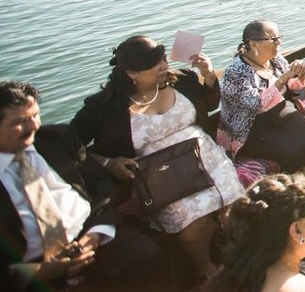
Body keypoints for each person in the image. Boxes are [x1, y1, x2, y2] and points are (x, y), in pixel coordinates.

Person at [0, 81, 173, 292]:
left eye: (36, 115)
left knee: (146, 255)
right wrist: (39, 272)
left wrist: (95, 235)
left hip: (89, 240)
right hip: (27, 272)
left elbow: (102, 187)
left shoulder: (57, 138)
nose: (34, 126)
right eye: (20, 122)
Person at [71, 35, 245, 278]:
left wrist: (208, 76)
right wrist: (109, 162)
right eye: (155, 64)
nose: (164, 66)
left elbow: (210, 101)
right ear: (132, 73)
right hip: (162, 175)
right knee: (196, 225)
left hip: (209, 158)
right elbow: (71, 142)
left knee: (235, 206)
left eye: (164, 59)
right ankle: (204, 268)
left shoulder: (183, 80)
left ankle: (237, 253)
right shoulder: (104, 106)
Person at [218, 20, 305, 172]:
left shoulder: (276, 59)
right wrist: (283, 78)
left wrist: (300, 73)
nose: (279, 42)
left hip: (284, 115)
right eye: (273, 39)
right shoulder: (235, 71)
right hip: (253, 128)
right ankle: (294, 189)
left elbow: (293, 86)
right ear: (253, 44)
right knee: (291, 152)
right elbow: (257, 105)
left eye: (279, 37)